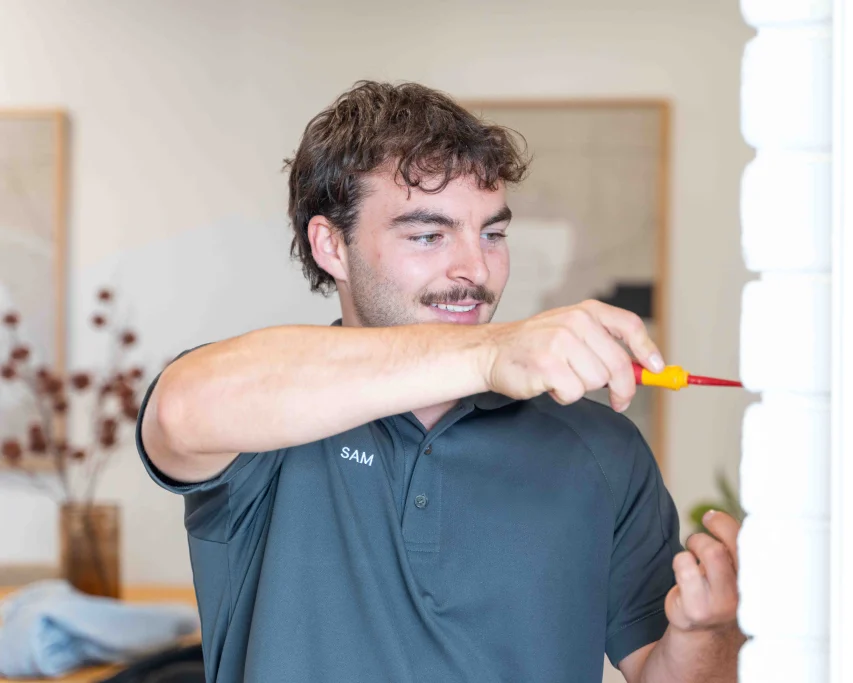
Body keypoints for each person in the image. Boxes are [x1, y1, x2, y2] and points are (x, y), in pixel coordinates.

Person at [136, 81, 744, 683]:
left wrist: (706, 632)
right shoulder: (266, 416)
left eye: (493, 233)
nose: (475, 270)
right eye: (428, 235)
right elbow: (177, 415)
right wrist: (486, 353)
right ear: (331, 246)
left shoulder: (603, 449)